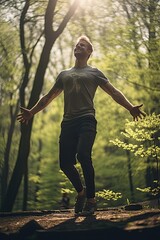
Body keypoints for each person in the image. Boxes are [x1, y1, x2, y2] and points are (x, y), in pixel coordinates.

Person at [17, 36, 146, 216]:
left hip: (87, 119)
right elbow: (48, 96)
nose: (78, 46)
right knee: (65, 163)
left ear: (89, 52)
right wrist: (31, 111)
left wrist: (130, 107)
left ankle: (91, 201)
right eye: (77, 44)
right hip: (68, 122)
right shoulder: (64, 74)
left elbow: (113, 92)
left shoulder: (94, 73)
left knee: (83, 154)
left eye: (82, 45)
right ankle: (81, 192)